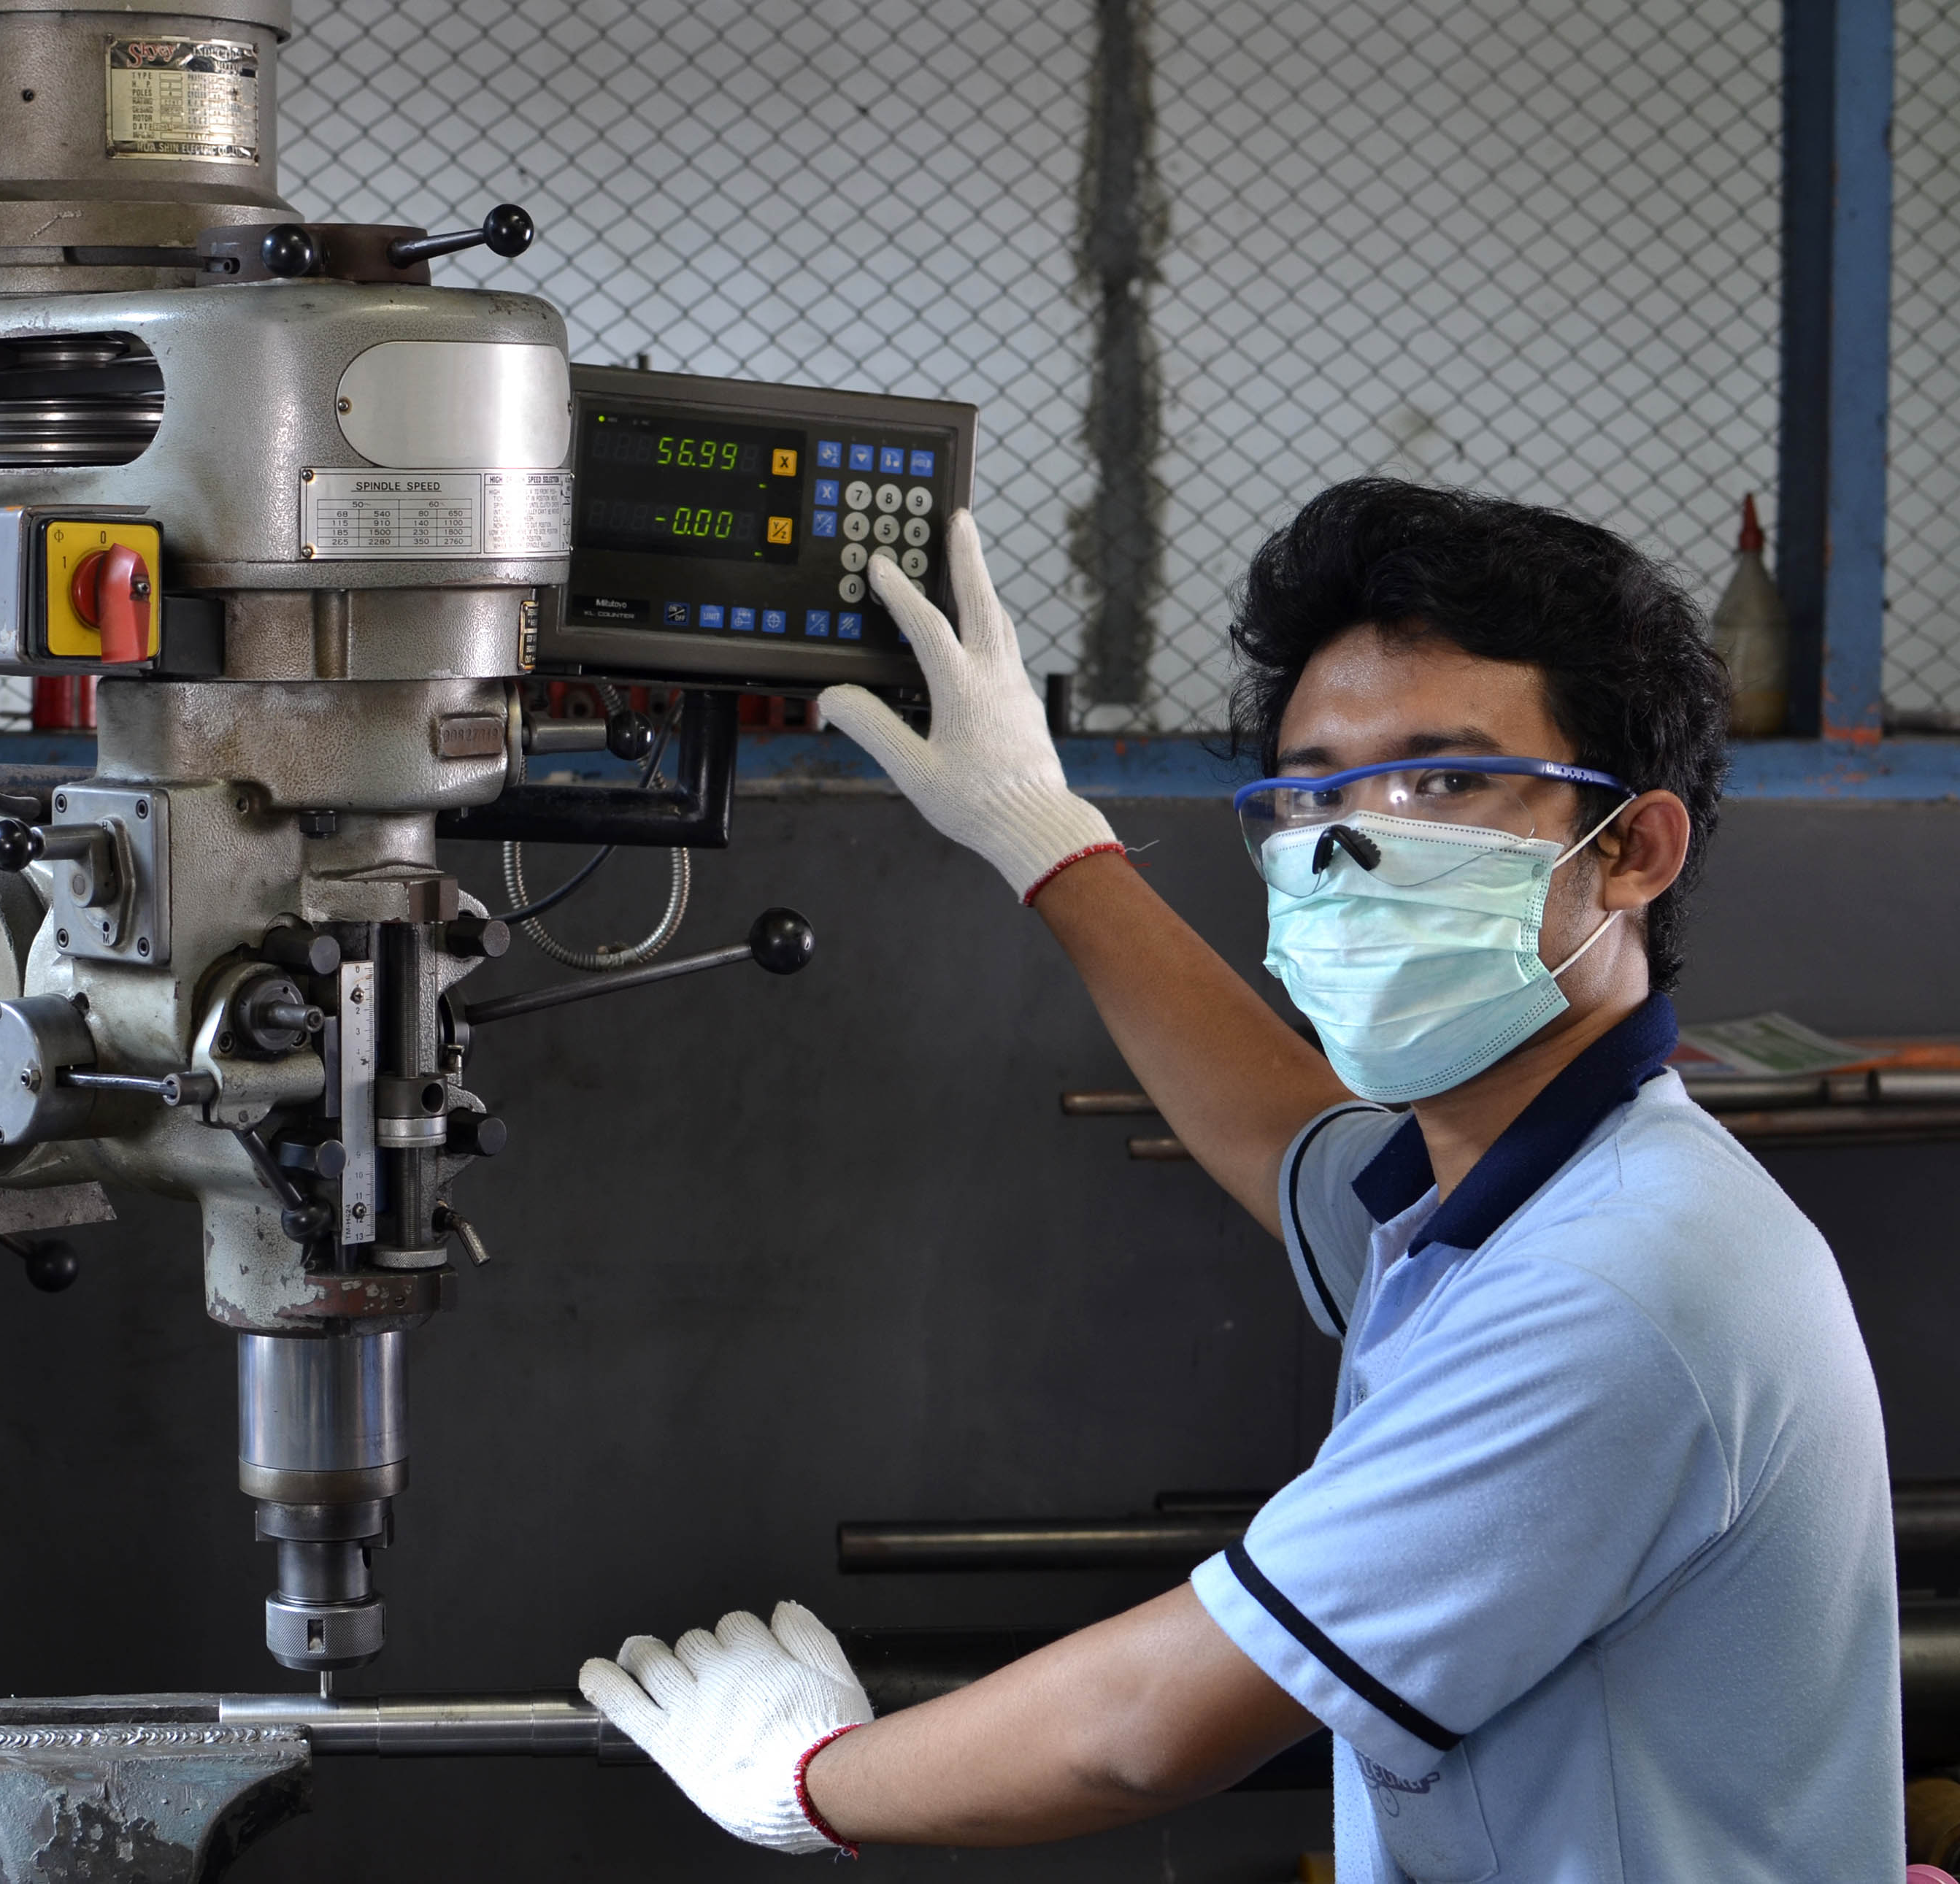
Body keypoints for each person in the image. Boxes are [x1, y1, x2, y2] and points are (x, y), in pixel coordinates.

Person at [580, 481, 1900, 1879]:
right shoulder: (1526, 1179)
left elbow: (1150, 1727)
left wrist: (805, 1778)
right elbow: (1284, 1133)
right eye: (1315, 786)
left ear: (1631, 848)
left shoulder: (1621, 1285)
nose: (1354, 839)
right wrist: (1043, 831)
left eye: (1442, 777)